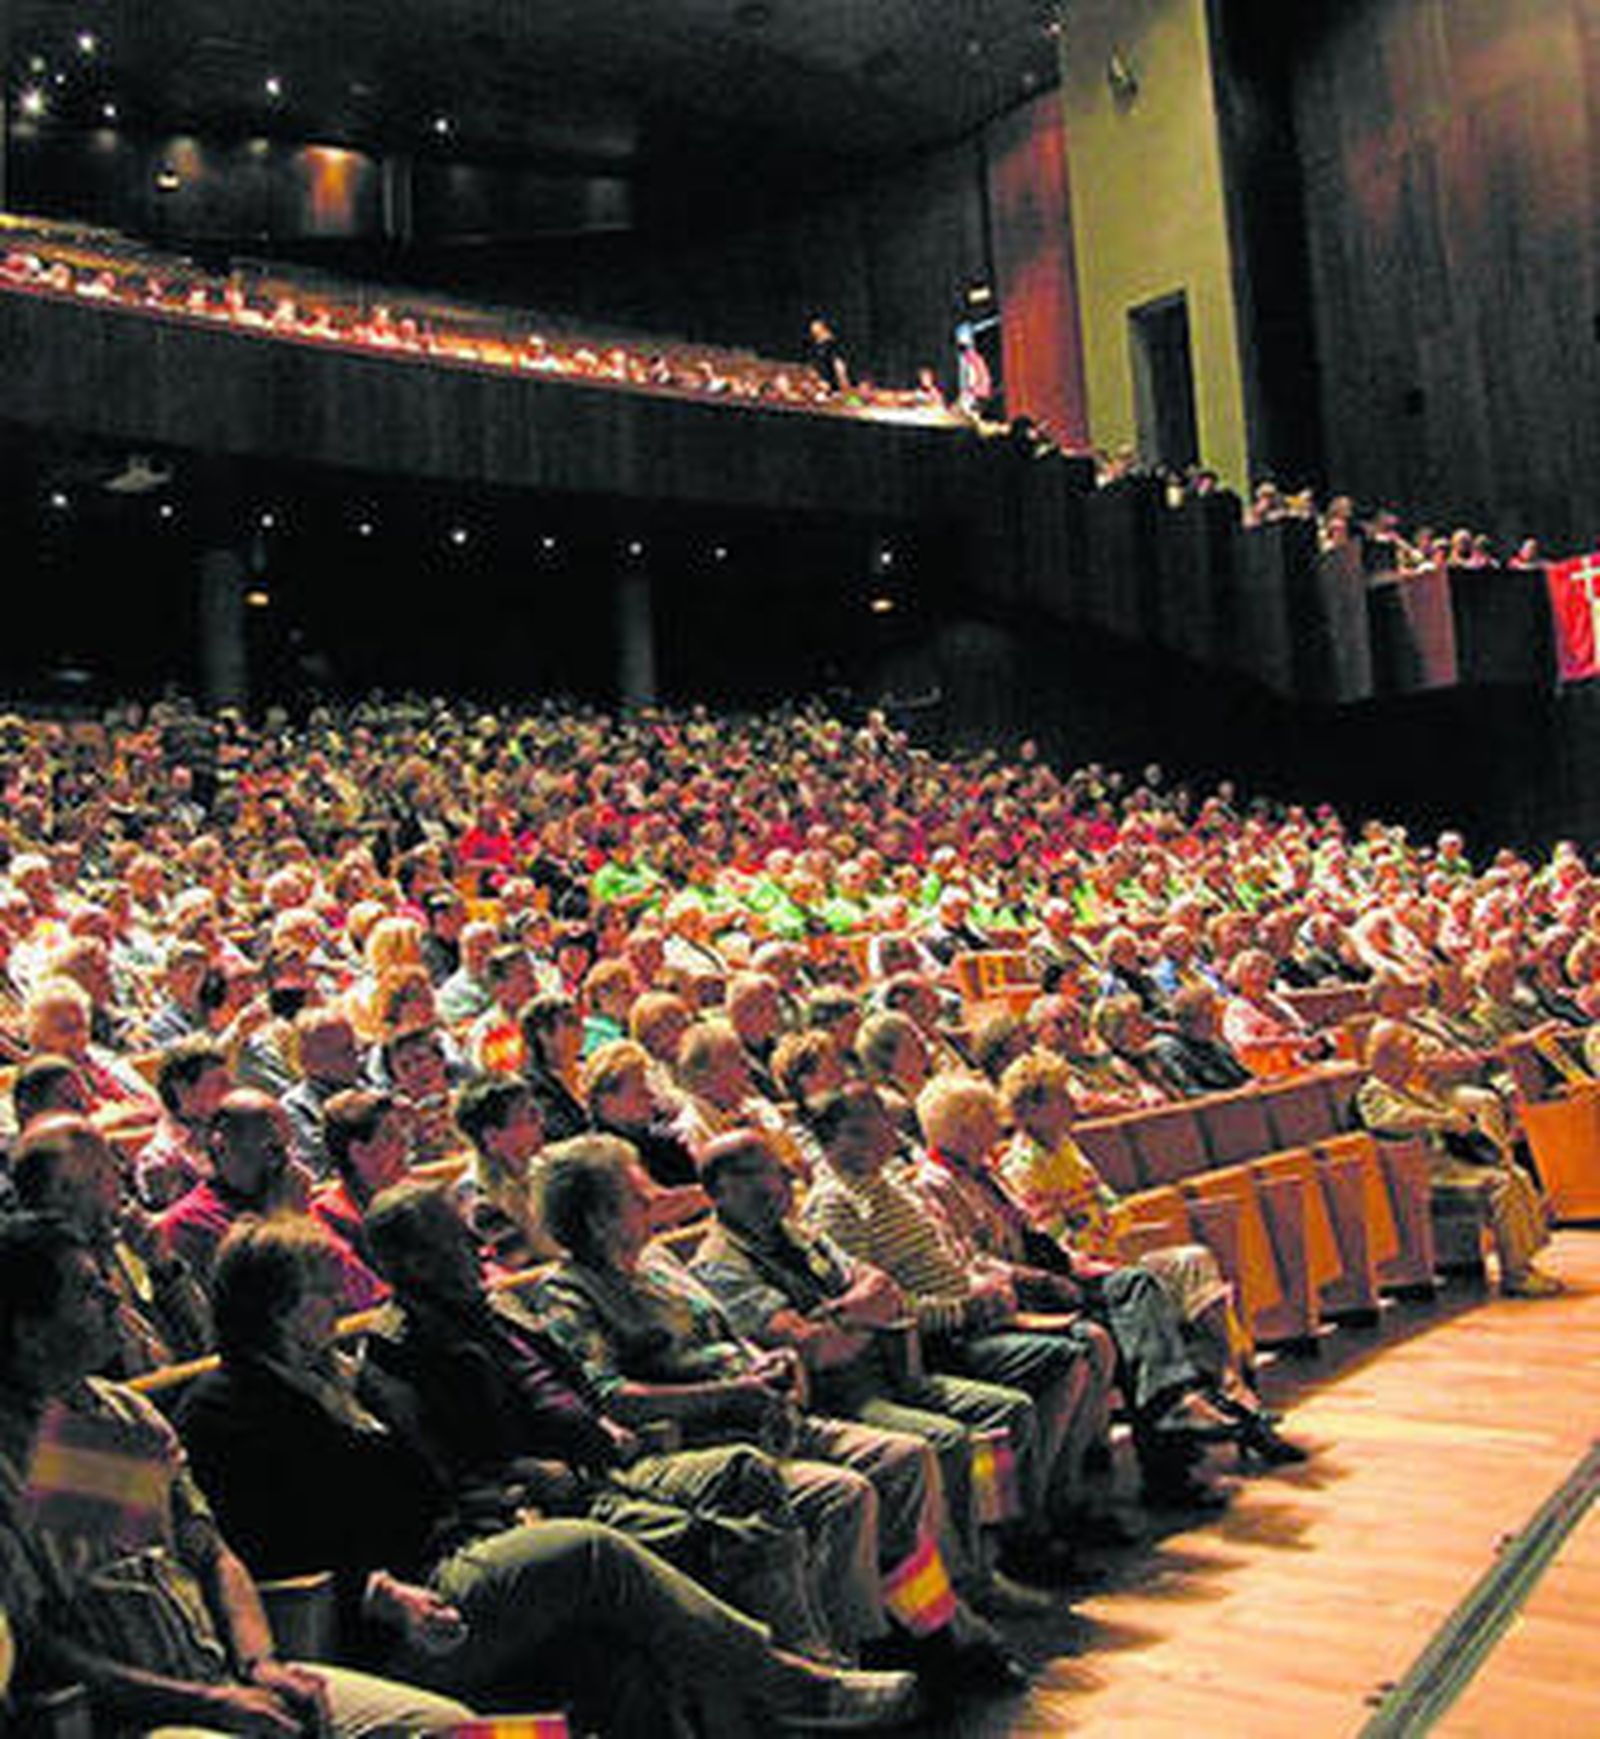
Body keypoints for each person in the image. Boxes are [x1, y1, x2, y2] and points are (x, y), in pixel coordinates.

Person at [174, 1214, 918, 1736]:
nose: (340, 1301)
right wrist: (376, 1587)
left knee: (616, 1657)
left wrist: (489, 1503)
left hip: (458, 1545)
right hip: (383, 1610)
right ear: (271, 1307)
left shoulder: (336, 1375)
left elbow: (428, 1478)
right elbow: (262, 1543)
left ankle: (820, 1678)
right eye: (320, 1289)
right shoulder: (228, 1408)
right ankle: (798, 1685)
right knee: (588, 1549)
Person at [531, 1134, 1021, 1680]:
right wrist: (735, 1389)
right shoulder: (571, 1294)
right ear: (600, 1220)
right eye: (639, 1200)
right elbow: (610, 1398)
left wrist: (770, 1362)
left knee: (906, 1459)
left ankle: (932, 1621)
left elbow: (785, 1326)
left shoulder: (662, 1261)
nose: (656, 1206)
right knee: (851, 1491)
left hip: (778, 1408)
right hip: (712, 1439)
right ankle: (855, 1655)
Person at [0, 1213, 474, 1737]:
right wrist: (207, 1703)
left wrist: (259, 1664)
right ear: (29, 1331)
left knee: (447, 1727)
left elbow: (208, 1552)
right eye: (89, 1292)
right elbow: (41, 1646)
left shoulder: (115, 1415)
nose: (116, 1299)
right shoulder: (10, 1457)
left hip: (225, 1675)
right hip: (134, 1719)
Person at [1356, 1020, 1560, 1297]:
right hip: (1420, 1172)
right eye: (1407, 1056)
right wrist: (1441, 1120)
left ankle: (1524, 1262)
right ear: (1386, 1057)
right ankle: (1516, 1274)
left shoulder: (1408, 1090)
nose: (1414, 1062)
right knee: (1502, 1184)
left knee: (1516, 1174)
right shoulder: (1373, 1091)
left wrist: (1457, 1121)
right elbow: (1387, 1120)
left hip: (1448, 1163)